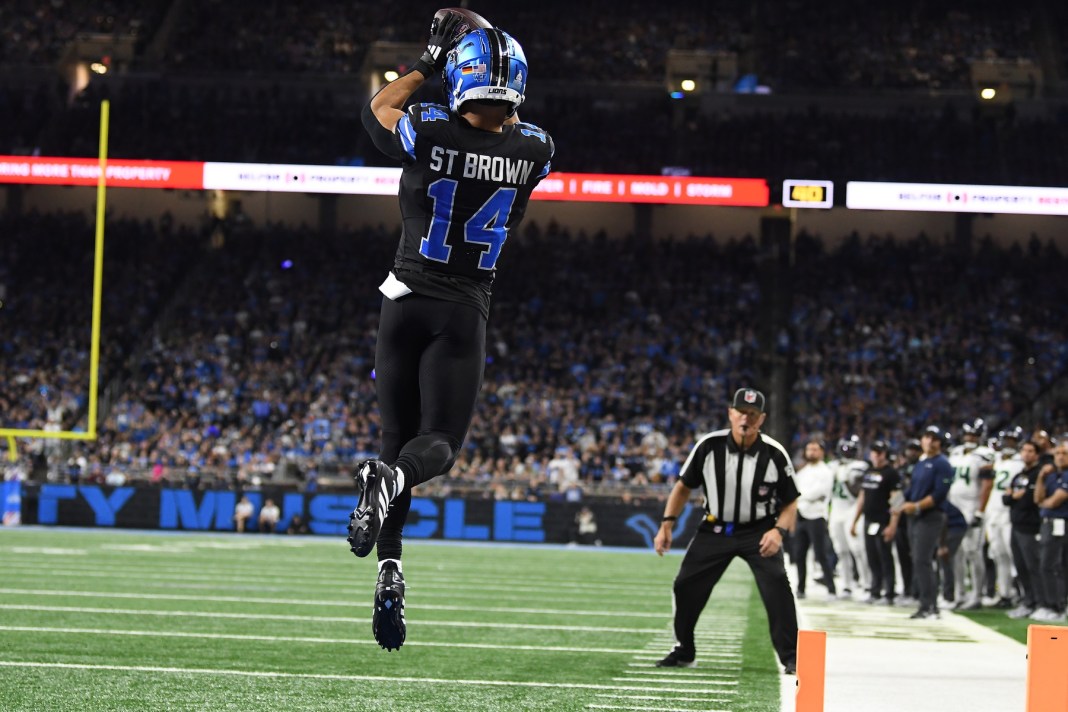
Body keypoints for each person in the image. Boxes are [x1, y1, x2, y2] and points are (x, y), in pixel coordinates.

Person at [351, 10, 554, 652]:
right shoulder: (536, 150)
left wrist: (431, 60)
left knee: (395, 444)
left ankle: (390, 569)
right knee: (435, 444)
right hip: (463, 309)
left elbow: (377, 110)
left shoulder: (431, 128)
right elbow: (509, 128)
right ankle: (389, 487)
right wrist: (490, 47)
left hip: (404, 296)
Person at [653, 388, 800, 675]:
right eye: (741, 412)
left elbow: (791, 502)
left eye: (752, 414)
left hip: (759, 531)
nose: (746, 418)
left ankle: (792, 657)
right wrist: (666, 524)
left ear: (762, 419)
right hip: (715, 529)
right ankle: (684, 650)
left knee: (777, 585)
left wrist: (778, 532)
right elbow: (683, 486)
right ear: (731, 413)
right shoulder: (708, 446)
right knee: (685, 585)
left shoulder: (774, 453)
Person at [896, 425, 954, 619]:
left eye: (933, 438)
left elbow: (939, 494)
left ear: (939, 442)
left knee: (923, 560)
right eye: (926, 437)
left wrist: (917, 506)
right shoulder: (921, 463)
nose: (929, 441)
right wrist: (898, 504)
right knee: (919, 560)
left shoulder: (942, 464)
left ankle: (930, 606)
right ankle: (925, 603)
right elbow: (911, 490)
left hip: (931, 516)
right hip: (915, 517)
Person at [946, 418, 995, 610]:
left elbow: (987, 484)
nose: (970, 438)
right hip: (954, 507)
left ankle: (977, 595)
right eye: (968, 434)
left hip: (972, 506)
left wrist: (980, 511)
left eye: (974, 435)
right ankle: (960, 594)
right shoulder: (955, 453)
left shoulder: (985, 454)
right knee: (955, 552)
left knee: (973, 552)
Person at [851, 440, 901, 604]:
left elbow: (897, 500)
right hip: (869, 520)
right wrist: (855, 520)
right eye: (874, 451)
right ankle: (875, 590)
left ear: (885, 454)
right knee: (871, 557)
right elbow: (862, 497)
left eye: (880, 452)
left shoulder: (891, 473)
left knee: (885, 557)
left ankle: (889, 593)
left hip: (883, 520)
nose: (876, 455)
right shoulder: (869, 471)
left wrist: (893, 524)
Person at [792, 439, 838, 600]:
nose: (811, 452)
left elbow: (819, 492)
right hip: (802, 515)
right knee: (799, 554)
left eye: (815, 449)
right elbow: (794, 490)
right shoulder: (803, 472)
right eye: (809, 449)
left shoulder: (825, 471)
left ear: (821, 452)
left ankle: (831, 589)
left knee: (821, 554)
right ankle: (801, 588)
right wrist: (801, 498)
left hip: (817, 516)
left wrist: (801, 497)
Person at [985, 426, 1024, 608]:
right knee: (999, 554)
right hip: (994, 511)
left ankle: (1023, 593)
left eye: (1012, 440)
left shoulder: (1021, 461)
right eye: (1006, 440)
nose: (1009, 444)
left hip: (1009, 512)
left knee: (1014, 554)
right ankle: (1005, 594)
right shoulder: (998, 460)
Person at [1005, 440, 1043, 619]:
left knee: (1033, 566)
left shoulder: (1038, 474)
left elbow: (1030, 501)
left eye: (1031, 451)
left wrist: (1016, 497)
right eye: (1024, 450)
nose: (1026, 454)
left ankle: (1038, 602)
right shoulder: (1019, 475)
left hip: (1031, 526)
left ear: (1037, 454)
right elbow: (1006, 499)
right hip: (1016, 524)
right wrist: (1014, 497)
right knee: (1020, 566)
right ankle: (1027, 601)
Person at [829, 435, 869, 599]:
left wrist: (846, 479)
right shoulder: (832, 466)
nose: (847, 453)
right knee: (841, 550)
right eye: (845, 449)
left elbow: (857, 490)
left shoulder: (860, 466)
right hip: (836, 510)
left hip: (853, 509)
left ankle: (867, 584)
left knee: (858, 549)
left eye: (850, 449)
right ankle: (846, 585)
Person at [1034, 442, 1068, 621]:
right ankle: (1051, 604)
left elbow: (1054, 501)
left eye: (1064, 453)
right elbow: (1037, 498)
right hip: (1048, 523)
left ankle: (1056, 606)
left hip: (1061, 523)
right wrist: (1040, 477)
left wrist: (1044, 503)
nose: (1060, 457)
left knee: (1052, 565)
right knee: (1048, 564)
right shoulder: (1052, 476)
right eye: (1058, 453)